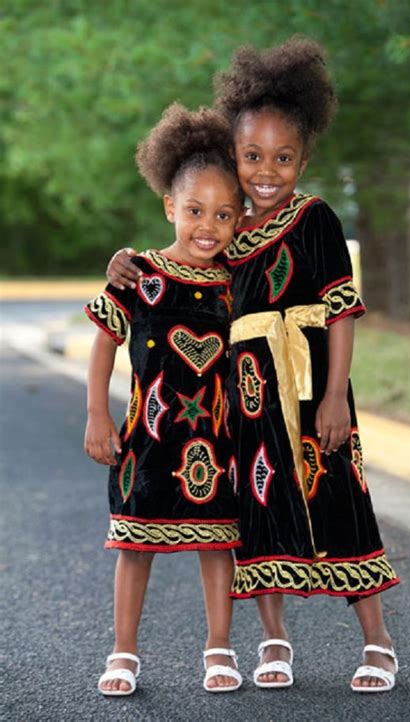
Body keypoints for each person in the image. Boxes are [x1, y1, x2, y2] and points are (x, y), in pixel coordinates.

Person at [106, 37, 400, 694]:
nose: (268, 170)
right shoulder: (231, 228)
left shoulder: (314, 219)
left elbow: (343, 311)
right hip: (245, 397)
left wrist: (334, 399)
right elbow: (178, 260)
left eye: (284, 158)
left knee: (341, 503)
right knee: (259, 514)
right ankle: (274, 637)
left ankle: (377, 640)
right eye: (252, 156)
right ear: (234, 158)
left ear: (304, 158)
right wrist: (122, 262)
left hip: (310, 386)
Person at [84, 103, 245, 696]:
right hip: (146, 440)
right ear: (169, 207)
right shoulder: (139, 274)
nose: (209, 224)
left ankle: (219, 646)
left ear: (239, 219)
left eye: (224, 214)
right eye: (195, 210)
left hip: (218, 442)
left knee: (217, 542)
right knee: (134, 543)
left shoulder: (237, 278)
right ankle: (123, 651)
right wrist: (98, 413)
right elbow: (104, 342)